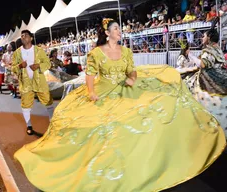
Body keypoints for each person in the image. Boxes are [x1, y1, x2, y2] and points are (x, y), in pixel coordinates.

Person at [14, 18, 226, 192]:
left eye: (120, 29)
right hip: (103, 90)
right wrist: (91, 92)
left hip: (126, 87)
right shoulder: (96, 53)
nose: (120, 32)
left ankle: (150, 161)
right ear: (107, 33)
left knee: (157, 105)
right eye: (116, 29)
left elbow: (131, 70)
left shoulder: (125, 52)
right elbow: (90, 75)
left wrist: (133, 79)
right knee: (93, 125)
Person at [182, 19, 227, 137]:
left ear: (209, 38)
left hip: (209, 76)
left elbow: (202, 64)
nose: (202, 38)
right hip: (220, 73)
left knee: (186, 82)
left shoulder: (209, 50)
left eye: (204, 36)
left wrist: (190, 55)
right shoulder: (218, 49)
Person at [12, 30, 54, 136]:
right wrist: (20, 66)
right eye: (21, 36)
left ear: (31, 38)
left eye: (25, 35)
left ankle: (53, 123)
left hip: (39, 81)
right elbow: (13, 68)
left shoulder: (39, 50)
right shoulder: (17, 53)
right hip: (25, 83)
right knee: (26, 105)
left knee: (48, 101)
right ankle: (29, 126)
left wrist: (39, 66)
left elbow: (48, 63)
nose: (23, 37)